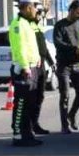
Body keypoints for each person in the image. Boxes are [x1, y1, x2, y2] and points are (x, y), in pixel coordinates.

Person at [8, 0, 46, 147]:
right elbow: (19, 48)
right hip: (24, 68)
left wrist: (37, 59)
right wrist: (25, 66)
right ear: (29, 7)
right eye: (35, 7)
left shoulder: (27, 23)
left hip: (32, 66)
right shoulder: (18, 24)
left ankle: (27, 134)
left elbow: (31, 45)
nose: (36, 10)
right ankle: (18, 135)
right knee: (22, 103)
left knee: (30, 103)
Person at [51, 0, 79, 133]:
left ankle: (71, 115)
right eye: (78, 13)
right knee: (65, 94)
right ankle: (64, 125)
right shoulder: (60, 25)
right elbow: (57, 43)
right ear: (71, 10)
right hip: (64, 66)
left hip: (78, 65)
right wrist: (74, 48)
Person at [30, 7, 54, 136]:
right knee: (32, 97)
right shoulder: (28, 27)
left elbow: (44, 47)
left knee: (40, 96)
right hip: (33, 65)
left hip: (42, 65)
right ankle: (28, 125)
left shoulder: (38, 27)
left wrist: (51, 62)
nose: (40, 16)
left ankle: (35, 123)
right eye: (38, 13)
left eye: (41, 14)